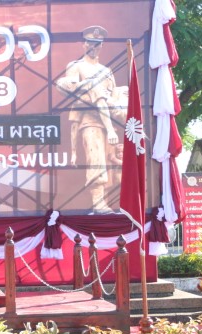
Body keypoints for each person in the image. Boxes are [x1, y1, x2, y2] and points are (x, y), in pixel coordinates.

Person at [56, 26, 127, 213]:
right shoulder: (76, 66)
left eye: (97, 44)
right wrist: (90, 91)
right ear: (84, 44)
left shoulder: (106, 70)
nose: (94, 47)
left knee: (110, 162)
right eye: (90, 43)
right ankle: (98, 203)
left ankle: (111, 201)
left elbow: (113, 94)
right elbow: (71, 91)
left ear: (101, 46)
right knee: (96, 159)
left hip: (109, 120)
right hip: (89, 119)